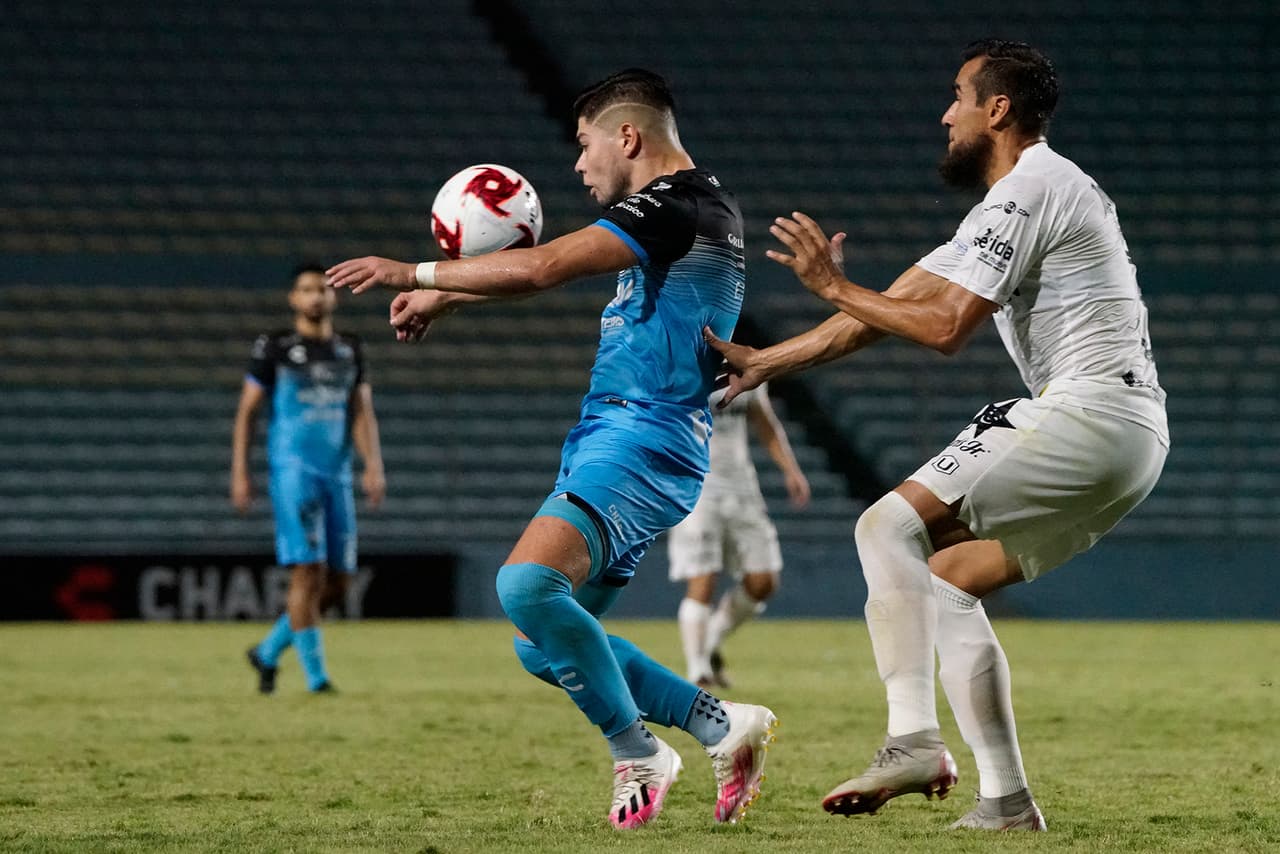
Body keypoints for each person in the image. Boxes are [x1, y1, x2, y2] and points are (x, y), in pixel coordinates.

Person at [707, 40, 1168, 831]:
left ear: (998, 109)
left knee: (885, 526)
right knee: (946, 581)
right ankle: (1007, 801)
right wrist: (769, 360)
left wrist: (832, 284)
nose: (946, 114)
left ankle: (914, 740)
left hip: (1090, 412)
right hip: (1131, 438)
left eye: (958, 96)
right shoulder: (1014, 205)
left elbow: (945, 326)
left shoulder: (1029, 189)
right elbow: (891, 308)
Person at [326, 69, 778, 830]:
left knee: (526, 587)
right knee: (542, 643)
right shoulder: (684, 212)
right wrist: (450, 295)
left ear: (627, 137)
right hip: (623, 435)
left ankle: (637, 751)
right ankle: (721, 725)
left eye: (584, 143)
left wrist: (412, 271)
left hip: (646, 436)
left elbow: (544, 265)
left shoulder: (679, 202)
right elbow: (554, 273)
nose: (577, 164)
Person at [232, 262, 386, 694]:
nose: (316, 296)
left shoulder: (349, 349)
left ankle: (267, 652)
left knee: (339, 581)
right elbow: (247, 412)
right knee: (307, 572)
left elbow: (361, 410)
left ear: (333, 296)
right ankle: (317, 680)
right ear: (293, 299)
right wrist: (240, 471)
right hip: (293, 471)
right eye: (306, 289)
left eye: (322, 288)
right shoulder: (275, 348)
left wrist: (373, 464)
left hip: (336, 473)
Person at [669, 382, 809, 688]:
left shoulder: (747, 367)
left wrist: (791, 469)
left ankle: (710, 641)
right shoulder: (682, 367)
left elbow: (764, 420)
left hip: (742, 486)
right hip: (696, 487)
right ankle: (698, 672)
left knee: (764, 581)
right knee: (703, 579)